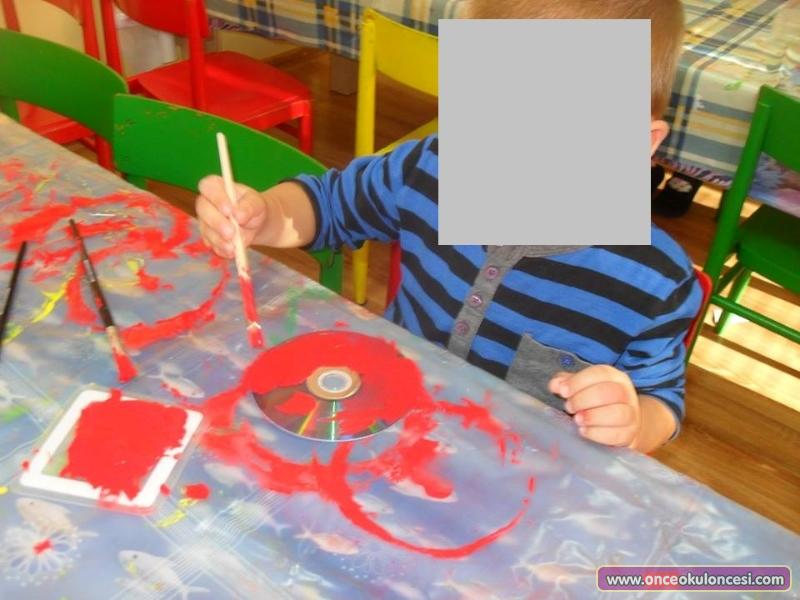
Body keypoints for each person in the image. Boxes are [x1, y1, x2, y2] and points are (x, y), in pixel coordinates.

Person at [196, 0, 701, 454]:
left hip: (515, 470)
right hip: (386, 423)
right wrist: (264, 215)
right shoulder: (431, 168)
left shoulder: (656, 281)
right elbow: (326, 206)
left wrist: (632, 422)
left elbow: (661, 401)